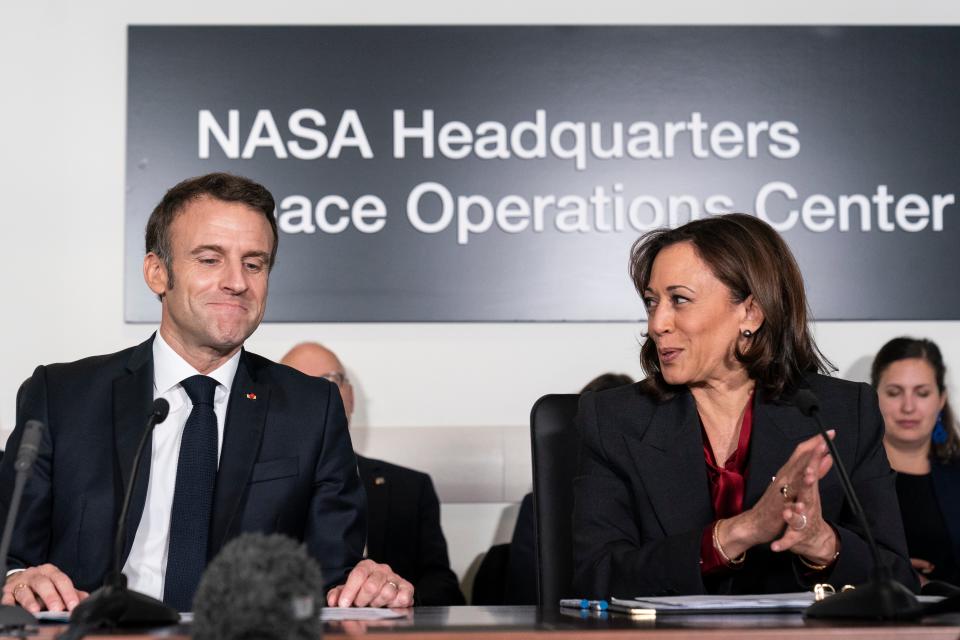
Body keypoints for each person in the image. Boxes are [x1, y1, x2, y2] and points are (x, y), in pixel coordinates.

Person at [0, 173, 413, 614]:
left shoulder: (312, 409)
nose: (237, 281)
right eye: (210, 259)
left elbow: (335, 578)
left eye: (254, 264)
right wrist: (17, 579)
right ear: (157, 273)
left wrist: (368, 585)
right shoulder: (62, 396)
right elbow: (11, 552)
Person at [573, 213, 915, 598]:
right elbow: (595, 579)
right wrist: (737, 532)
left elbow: (897, 580)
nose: (657, 323)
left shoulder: (842, 412)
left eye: (679, 300)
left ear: (750, 313)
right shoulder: (613, 420)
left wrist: (821, 543)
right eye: (653, 302)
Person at [280, 342, 465, 606]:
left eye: (329, 381)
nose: (317, 395)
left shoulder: (411, 488)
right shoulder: (251, 488)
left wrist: (400, 599)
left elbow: (443, 586)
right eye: (298, 383)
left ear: (351, 397)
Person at [872, 337, 960, 586]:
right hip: (871, 618)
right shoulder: (845, 474)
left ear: (941, 400)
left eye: (922, 393)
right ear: (872, 397)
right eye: (894, 393)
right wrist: (884, 569)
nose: (908, 407)